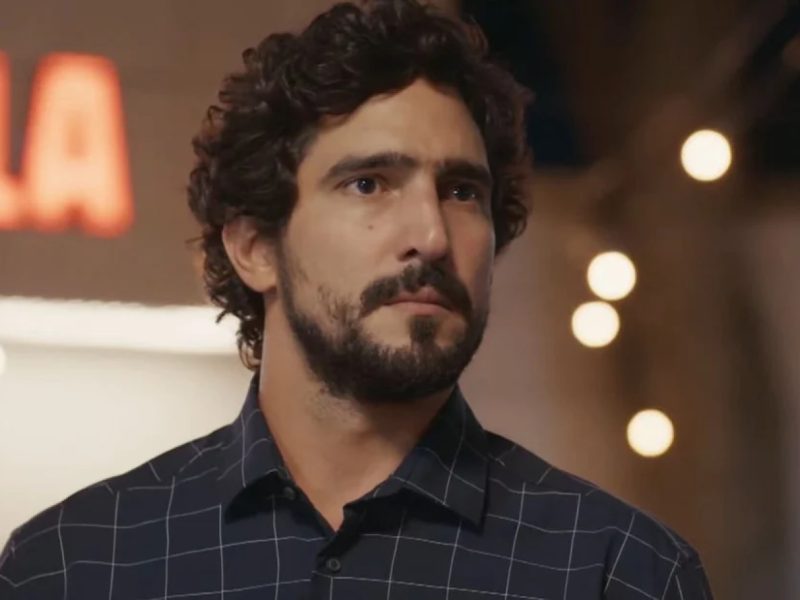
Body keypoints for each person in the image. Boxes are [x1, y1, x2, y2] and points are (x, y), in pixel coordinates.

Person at [0, 1, 714, 598]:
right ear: (254, 247)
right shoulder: (76, 566)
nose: (431, 235)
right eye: (369, 184)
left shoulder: (618, 572)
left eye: (462, 191)